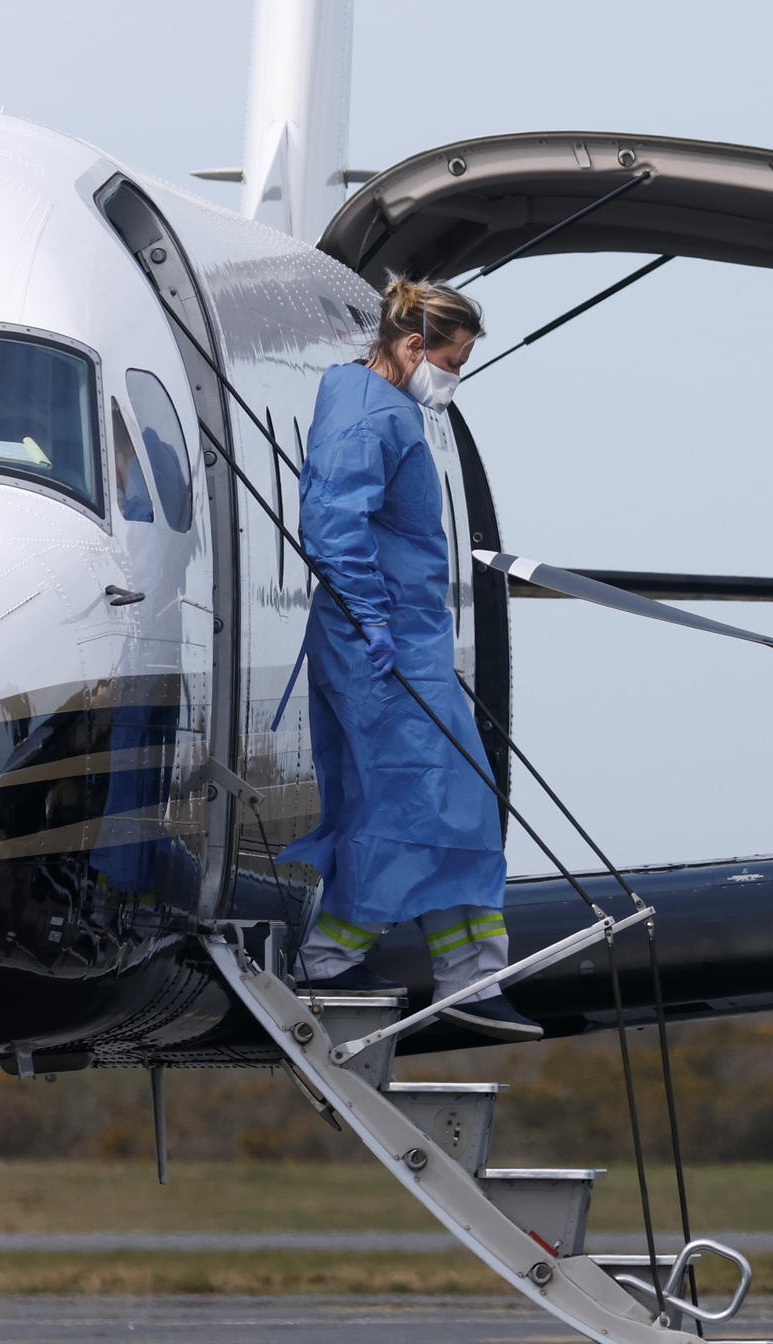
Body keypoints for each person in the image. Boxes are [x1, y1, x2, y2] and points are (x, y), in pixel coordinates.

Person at [282, 278, 537, 1040]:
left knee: (454, 805)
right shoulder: (366, 412)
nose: (452, 378)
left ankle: (472, 974)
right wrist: (371, 620)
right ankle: (330, 956)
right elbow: (332, 525)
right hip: (378, 646)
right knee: (412, 806)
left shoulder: (386, 408)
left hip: (405, 642)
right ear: (414, 346)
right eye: (452, 362)